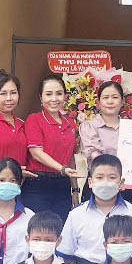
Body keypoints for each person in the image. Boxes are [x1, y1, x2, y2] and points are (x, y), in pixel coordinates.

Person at [24, 74, 80, 219]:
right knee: (39, 228)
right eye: (48, 94)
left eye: (59, 94)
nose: (54, 99)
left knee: (61, 228)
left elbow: (70, 157)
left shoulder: (70, 122)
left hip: (63, 185)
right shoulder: (34, 119)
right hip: (38, 185)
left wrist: (75, 189)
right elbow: (36, 153)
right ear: (41, 98)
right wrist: (62, 168)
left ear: (65, 96)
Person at [79, 80, 124, 169]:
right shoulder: (88, 127)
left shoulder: (130, 128)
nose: (110, 101)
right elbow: (94, 156)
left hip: (128, 176)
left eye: (115, 97)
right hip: (99, 175)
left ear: (122, 101)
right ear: (98, 103)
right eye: (105, 97)